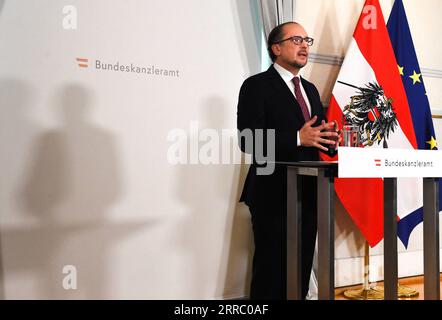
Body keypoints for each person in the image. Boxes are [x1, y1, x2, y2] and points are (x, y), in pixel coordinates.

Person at [237, 21, 339, 300]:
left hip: (309, 192)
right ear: (276, 48)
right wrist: (296, 138)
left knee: (301, 268)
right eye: (296, 40)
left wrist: (330, 140)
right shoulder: (256, 86)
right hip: (272, 194)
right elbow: (249, 141)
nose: (304, 45)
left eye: (307, 40)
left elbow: (316, 139)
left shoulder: (310, 89)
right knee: (272, 272)